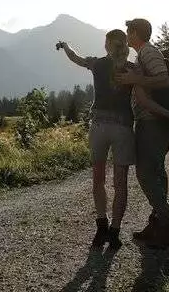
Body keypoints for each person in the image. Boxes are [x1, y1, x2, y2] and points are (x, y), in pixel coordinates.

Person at [57, 29, 135, 249]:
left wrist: (65, 44)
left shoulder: (98, 64)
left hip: (99, 127)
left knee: (98, 180)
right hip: (123, 129)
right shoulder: (132, 69)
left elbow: (75, 57)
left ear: (108, 44)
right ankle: (115, 232)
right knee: (121, 185)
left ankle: (101, 226)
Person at [116, 18, 169, 248]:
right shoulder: (142, 54)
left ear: (135, 32)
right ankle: (157, 223)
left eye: (128, 30)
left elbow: (163, 80)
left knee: (145, 174)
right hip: (151, 123)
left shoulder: (149, 51)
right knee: (156, 172)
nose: (127, 34)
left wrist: (135, 78)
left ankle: (168, 224)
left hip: (153, 123)